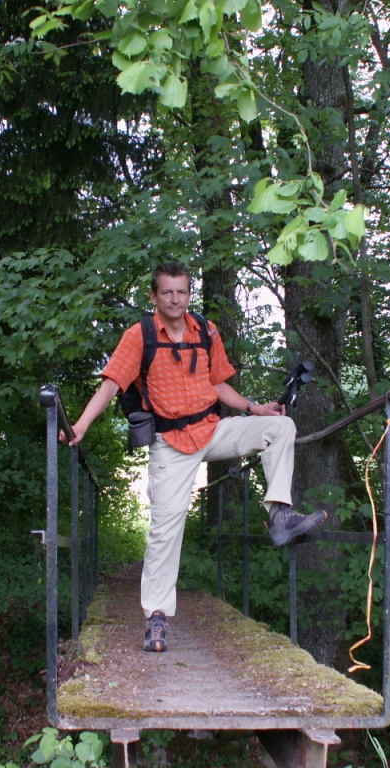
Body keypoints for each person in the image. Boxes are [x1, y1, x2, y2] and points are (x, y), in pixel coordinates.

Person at [63, 262, 326, 652]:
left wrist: (254, 408)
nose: (175, 299)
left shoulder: (206, 330)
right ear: (154, 296)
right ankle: (156, 616)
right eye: (167, 292)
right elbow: (111, 383)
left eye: (181, 292)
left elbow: (219, 384)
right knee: (165, 529)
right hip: (170, 442)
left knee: (280, 427)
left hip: (212, 429)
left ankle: (279, 515)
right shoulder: (139, 335)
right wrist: (81, 425)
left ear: (189, 294)